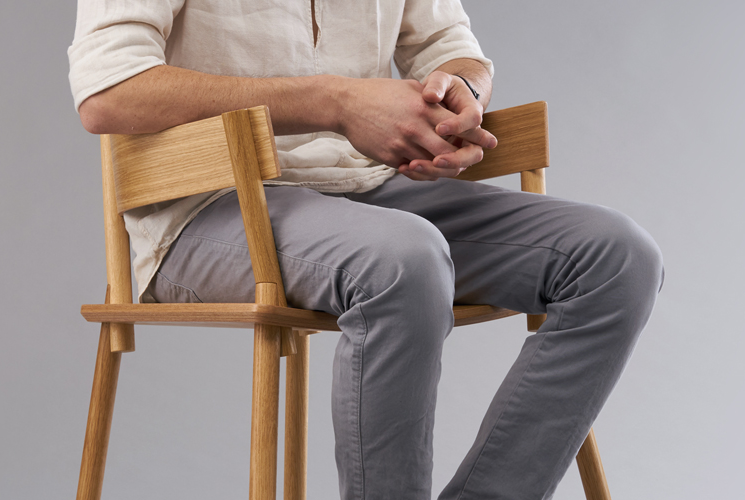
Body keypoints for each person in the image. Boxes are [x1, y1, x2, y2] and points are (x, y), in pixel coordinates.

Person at [68, 1, 664, 498]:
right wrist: (336, 101)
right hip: (208, 205)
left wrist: (455, 95)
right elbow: (109, 90)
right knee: (401, 260)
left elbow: (450, 46)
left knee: (617, 259)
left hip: (372, 189)